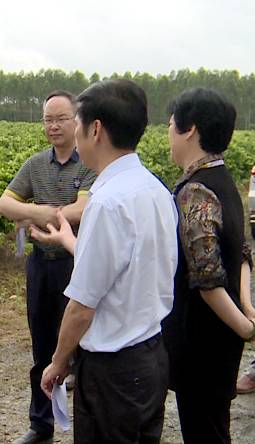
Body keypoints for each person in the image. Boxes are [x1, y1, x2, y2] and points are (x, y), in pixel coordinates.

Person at [37, 79, 178, 443]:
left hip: (113, 373)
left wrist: (58, 361)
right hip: (150, 356)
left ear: (95, 129)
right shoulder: (156, 189)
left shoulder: (107, 202)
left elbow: (82, 306)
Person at [0, 90, 96, 444]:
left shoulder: (88, 163)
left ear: (77, 121)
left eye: (60, 119)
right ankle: (41, 425)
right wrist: (36, 211)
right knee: (42, 347)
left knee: (83, 347)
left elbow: (83, 209)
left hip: (76, 263)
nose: (53, 126)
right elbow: (3, 204)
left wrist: (39, 211)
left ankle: (86, 425)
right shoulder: (35, 164)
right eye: (47, 120)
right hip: (41, 266)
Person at [161, 88, 255, 443]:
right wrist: (245, 308)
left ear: (189, 129)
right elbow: (243, 251)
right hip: (223, 335)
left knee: (205, 431)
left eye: (171, 124)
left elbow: (207, 278)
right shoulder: (225, 179)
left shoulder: (195, 191)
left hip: (201, 342)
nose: (168, 133)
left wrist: (247, 329)